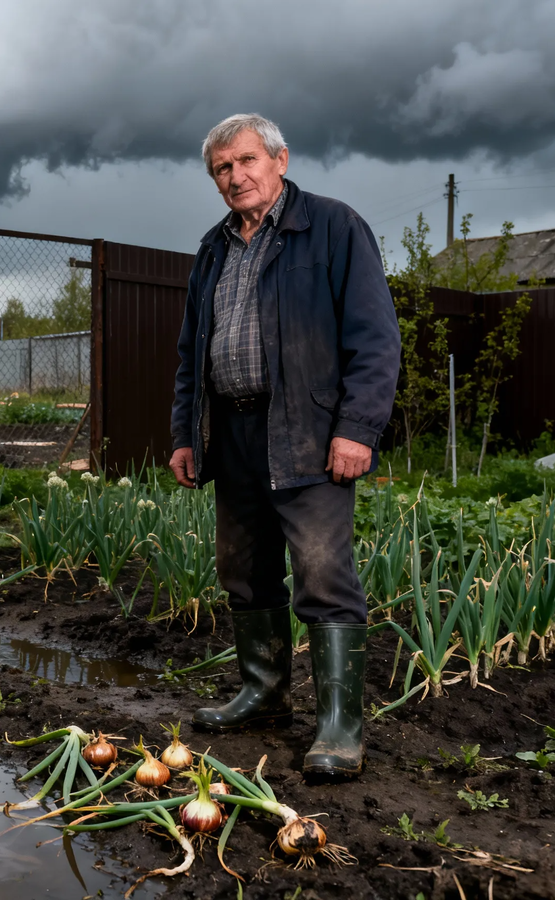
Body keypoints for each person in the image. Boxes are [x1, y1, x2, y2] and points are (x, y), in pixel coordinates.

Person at [169, 114, 400, 780]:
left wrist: (358, 427)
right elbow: (191, 355)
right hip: (233, 431)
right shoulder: (213, 249)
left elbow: (376, 339)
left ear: (279, 160)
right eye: (221, 168)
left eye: (246, 161)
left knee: (324, 575)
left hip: (308, 431)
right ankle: (264, 695)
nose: (235, 177)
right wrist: (187, 435)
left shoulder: (331, 227)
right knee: (244, 570)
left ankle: (338, 727)